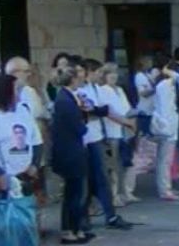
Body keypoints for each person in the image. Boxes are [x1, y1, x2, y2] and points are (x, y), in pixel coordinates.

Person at [0, 75, 43, 244]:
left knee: (24, 226)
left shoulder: (23, 111)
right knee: (1, 230)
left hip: (23, 180)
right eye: (17, 91)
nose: (20, 96)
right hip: (0, 183)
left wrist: (35, 165)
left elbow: (36, 141)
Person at [77, 58, 132, 230]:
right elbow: (90, 111)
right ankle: (83, 216)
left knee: (103, 178)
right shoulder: (80, 90)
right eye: (98, 72)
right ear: (89, 72)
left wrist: (124, 121)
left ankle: (111, 215)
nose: (100, 75)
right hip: (84, 140)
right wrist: (97, 112)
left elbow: (104, 110)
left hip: (97, 137)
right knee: (85, 180)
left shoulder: (96, 89)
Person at [50, 64, 92, 244]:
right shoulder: (65, 101)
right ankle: (69, 230)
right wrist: (83, 119)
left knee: (75, 192)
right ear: (73, 79)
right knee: (73, 194)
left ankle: (76, 228)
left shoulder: (66, 98)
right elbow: (78, 127)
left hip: (71, 150)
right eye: (79, 77)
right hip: (69, 152)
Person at [99, 63, 138, 206]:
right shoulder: (103, 90)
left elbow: (126, 108)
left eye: (115, 73)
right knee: (113, 166)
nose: (113, 76)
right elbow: (109, 111)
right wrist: (124, 121)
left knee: (123, 164)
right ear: (104, 76)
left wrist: (131, 120)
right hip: (112, 131)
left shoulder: (120, 90)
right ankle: (113, 196)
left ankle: (124, 192)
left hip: (124, 131)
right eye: (110, 73)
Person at [151, 57, 179, 201]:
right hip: (166, 126)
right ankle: (164, 189)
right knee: (164, 160)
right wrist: (168, 70)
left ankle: (166, 186)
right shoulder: (164, 85)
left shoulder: (167, 85)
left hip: (169, 125)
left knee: (166, 160)